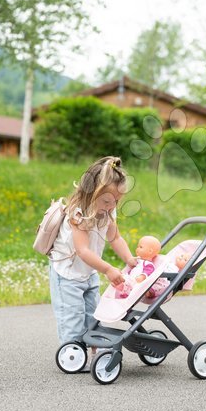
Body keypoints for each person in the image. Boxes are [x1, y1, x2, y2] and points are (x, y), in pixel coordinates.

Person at [49, 156, 137, 369]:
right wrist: (108, 268)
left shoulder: (108, 212)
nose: (111, 206)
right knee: (72, 316)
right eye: (107, 201)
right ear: (90, 193)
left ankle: (93, 348)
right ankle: (73, 353)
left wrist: (129, 259)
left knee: (93, 314)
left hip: (89, 274)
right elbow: (82, 250)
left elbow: (114, 238)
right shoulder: (78, 213)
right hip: (67, 275)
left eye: (116, 201)